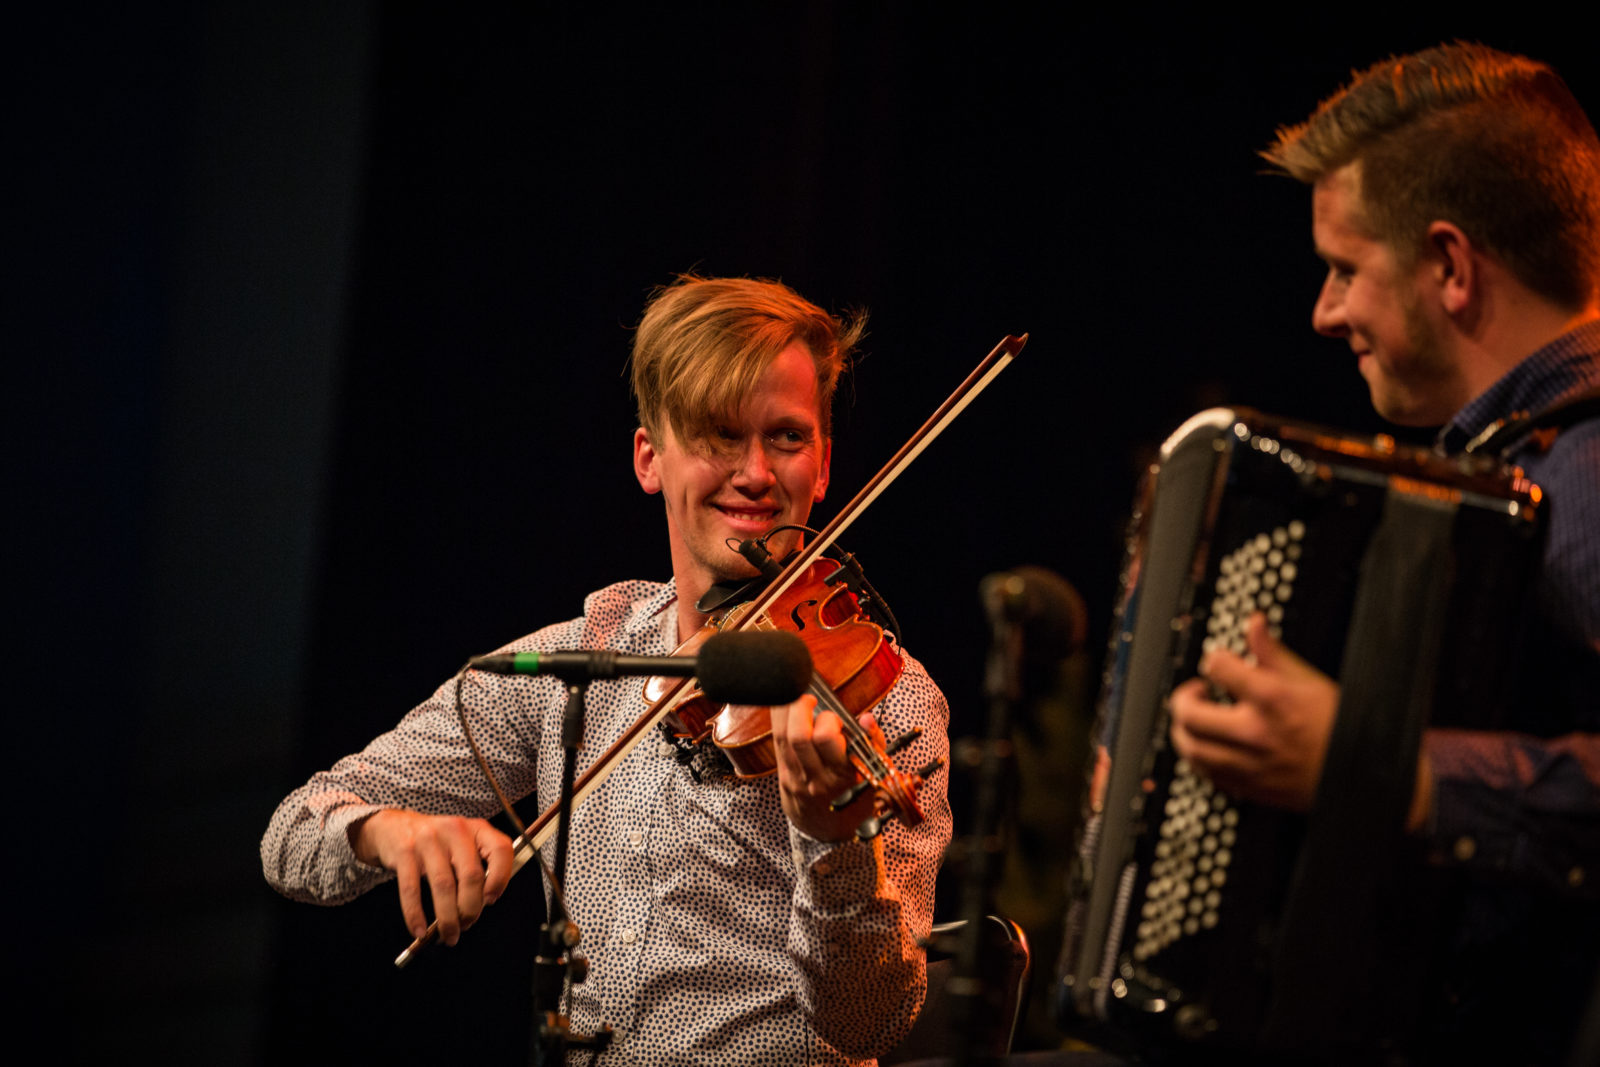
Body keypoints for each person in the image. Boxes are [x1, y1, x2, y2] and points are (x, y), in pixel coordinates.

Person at [261, 275, 953, 1065]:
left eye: (786, 438)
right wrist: (385, 828)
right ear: (649, 459)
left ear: (824, 464)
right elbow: (291, 835)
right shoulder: (584, 659)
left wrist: (834, 847)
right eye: (718, 436)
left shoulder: (888, 699)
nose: (756, 473)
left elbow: (869, 1020)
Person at [1168, 43, 1600, 1062]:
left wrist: (1382, 766)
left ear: (1449, 266)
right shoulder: (1501, 479)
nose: (1323, 311)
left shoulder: (1581, 481)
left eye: (1345, 267)